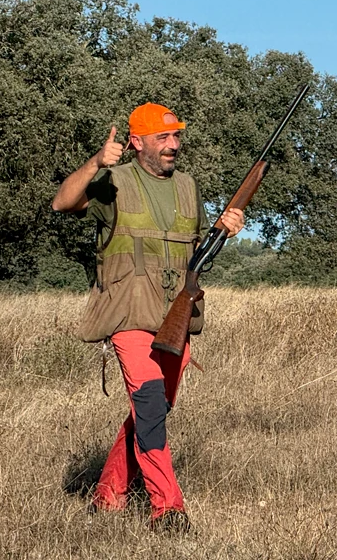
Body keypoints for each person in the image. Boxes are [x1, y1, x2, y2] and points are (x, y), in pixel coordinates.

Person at [51, 103, 243, 533]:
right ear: (137, 143)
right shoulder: (112, 181)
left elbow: (194, 253)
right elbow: (62, 202)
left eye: (176, 137)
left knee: (152, 410)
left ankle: (108, 494)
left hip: (175, 313)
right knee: (152, 404)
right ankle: (168, 509)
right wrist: (97, 162)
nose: (174, 145)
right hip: (127, 312)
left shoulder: (188, 186)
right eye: (163, 138)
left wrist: (225, 229)